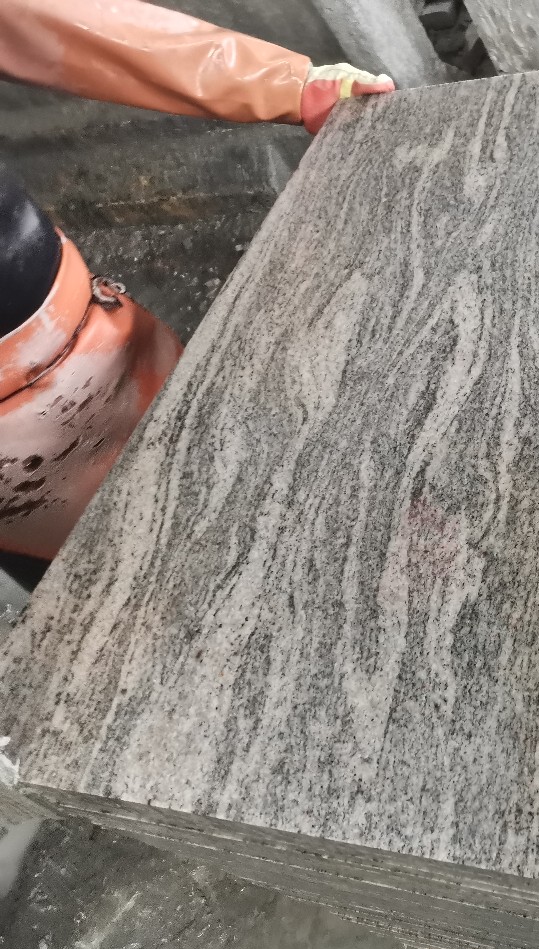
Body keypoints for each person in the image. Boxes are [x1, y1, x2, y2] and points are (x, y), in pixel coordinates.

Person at [0, 0, 395, 572]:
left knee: (248, 477)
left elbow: (42, 17)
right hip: (24, 493)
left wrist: (286, 83)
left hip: (88, 341)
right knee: (131, 578)